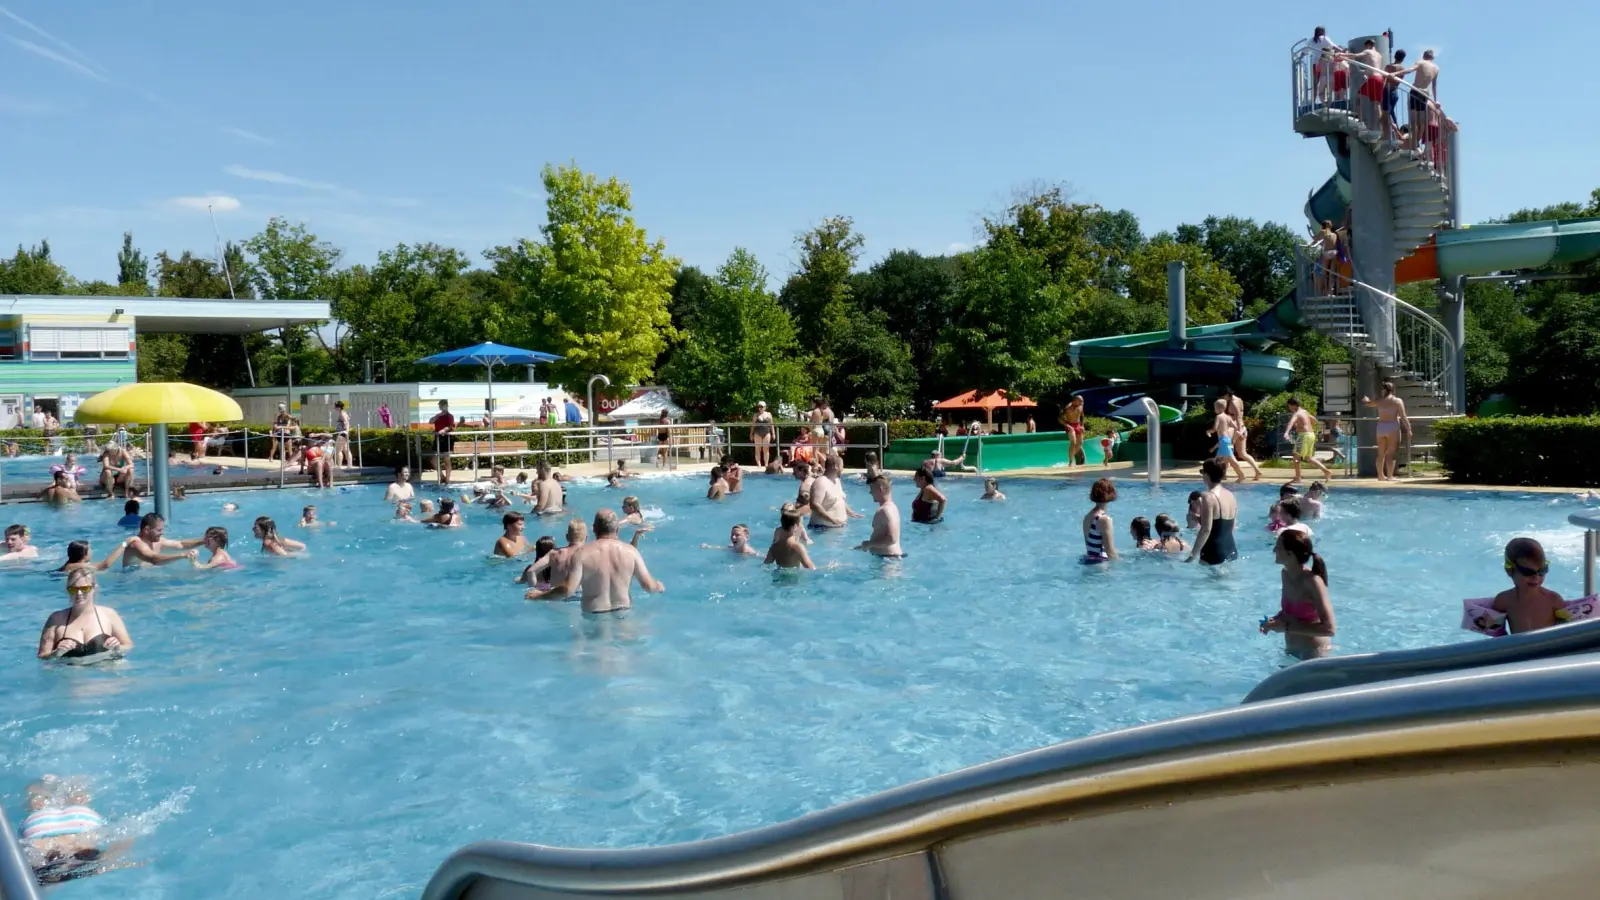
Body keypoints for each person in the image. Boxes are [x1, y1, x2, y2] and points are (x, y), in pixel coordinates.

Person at [540, 509, 665, 613]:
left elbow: (567, 590)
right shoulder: (631, 552)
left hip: (594, 615)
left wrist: (538, 596)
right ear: (617, 529)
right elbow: (649, 586)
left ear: (594, 529)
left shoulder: (582, 554)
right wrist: (658, 585)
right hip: (623, 613)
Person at [1261, 530, 1336, 659]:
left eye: (1278, 547)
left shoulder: (1312, 582)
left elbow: (1329, 629)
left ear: (1290, 554)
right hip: (1291, 650)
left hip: (1314, 653)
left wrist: (1287, 627)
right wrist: (1275, 620)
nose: (1274, 550)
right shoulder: (1285, 574)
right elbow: (1293, 611)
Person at [37, 568, 132, 660]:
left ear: (94, 588)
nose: (79, 593)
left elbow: (128, 645)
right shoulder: (56, 620)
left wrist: (117, 648)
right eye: (73, 589)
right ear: (67, 590)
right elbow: (42, 656)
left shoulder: (109, 615)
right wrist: (56, 653)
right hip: (71, 673)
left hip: (105, 672)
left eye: (85, 588)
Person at [1489, 537, 1567, 634]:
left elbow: (1567, 631)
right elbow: (1497, 634)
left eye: (1542, 571)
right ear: (1509, 570)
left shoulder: (1554, 600)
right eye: (1528, 572)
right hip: (1520, 648)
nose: (1536, 578)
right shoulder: (1503, 601)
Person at [1186, 457, 1239, 566]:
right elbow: (1232, 527)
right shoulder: (1230, 495)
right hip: (1231, 549)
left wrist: (1192, 555)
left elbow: (1206, 530)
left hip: (1213, 552)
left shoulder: (1207, 496)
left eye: (1202, 472)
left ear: (1206, 475)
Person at [523, 519, 588, 597]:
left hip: (554, 598)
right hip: (578, 598)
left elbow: (530, 571)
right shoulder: (590, 554)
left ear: (567, 537)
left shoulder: (554, 553)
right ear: (586, 538)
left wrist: (535, 591)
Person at [1362, 381, 1412, 481]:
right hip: (1392, 426)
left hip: (1381, 427)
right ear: (1393, 390)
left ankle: (1380, 476)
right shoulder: (1397, 401)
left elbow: (1368, 403)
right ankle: (1389, 476)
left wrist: (1366, 400)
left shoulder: (1379, 401)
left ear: (1384, 390)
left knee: (1380, 454)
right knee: (1390, 454)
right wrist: (1408, 429)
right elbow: (1403, 416)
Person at [1283, 397, 1333, 483]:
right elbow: (1315, 421)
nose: (1289, 408)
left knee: (1296, 455)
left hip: (1304, 436)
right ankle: (1326, 471)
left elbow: (1291, 422)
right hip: (1311, 435)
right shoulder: (1305, 412)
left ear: (1293, 405)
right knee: (1308, 458)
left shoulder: (1297, 413)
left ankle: (1298, 477)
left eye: (1289, 406)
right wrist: (1305, 426)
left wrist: (1286, 432)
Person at [855, 475, 904, 557]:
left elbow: (892, 539)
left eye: (872, 489)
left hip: (887, 559)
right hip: (889, 557)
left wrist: (869, 544)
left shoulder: (885, 510)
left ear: (880, 489)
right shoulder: (892, 507)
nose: (870, 492)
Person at [1220, 389, 1262, 481]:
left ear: (1227, 394)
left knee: (1227, 452)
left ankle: (1226, 474)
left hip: (1235, 429)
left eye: (1224, 397)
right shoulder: (1239, 399)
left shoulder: (1234, 403)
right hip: (1241, 427)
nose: (1223, 399)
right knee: (1242, 453)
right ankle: (1257, 471)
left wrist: (1238, 432)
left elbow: (1238, 418)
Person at [1403, 49, 1440, 152]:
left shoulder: (1420, 62)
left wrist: (1396, 73)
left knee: (1414, 121)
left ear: (1424, 56)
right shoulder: (1436, 68)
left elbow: (1409, 70)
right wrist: (1435, 100)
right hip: (1425, 94)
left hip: (1415, 91)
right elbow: (1434, 86)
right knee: (1422, 122)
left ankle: (1415, 145)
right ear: (1432, 58)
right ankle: (1417, 144)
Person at [1207, 399, 1248, 483]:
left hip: (1223, 441)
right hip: (1226, 440)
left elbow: (1214, 428)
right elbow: (1236, 427)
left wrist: (1208, 431)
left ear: (1218, 408)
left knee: (1232, 461)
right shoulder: (1228, 417)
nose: (1214, 409)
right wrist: (1239, 434)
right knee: (1217, 460)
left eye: (1215, 407)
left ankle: (1241, 475)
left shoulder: (1218, 417)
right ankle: (1215, 476)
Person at [764, 504, 817, 569]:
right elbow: (811, 568)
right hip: (793, 578)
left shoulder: (774, 547)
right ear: (795, 526)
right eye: (801, 524)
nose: (801, 527)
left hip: (777, 578)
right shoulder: (798, 547)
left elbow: (765, 565)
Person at [1081, 478, 1119, 562]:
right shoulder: (1104, 519)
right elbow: (1110, 552)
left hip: (1089, 560)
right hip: (1101, 564)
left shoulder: (1087, 517)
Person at [57, 539, 125, 573]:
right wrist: (125, 543)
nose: (92, 552)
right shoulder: (75, 566)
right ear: (84, 555)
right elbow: (105, 565)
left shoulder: (72, 565)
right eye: (90, 549)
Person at [431, 400, 456, 486]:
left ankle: (448, 479)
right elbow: (431, 421)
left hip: (446, 439)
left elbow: (450, 426)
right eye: (440, 405)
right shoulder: (438, 416)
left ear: (446, 405)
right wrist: (437, 416)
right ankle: (442, 476)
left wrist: (443, 430)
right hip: (438, 439)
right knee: (434, 460)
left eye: (442, 405)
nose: (441, 407)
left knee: (446, 459)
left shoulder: (450, 416)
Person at [1311, 220, 1340, 295]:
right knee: (1330, 273)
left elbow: (1315, 241)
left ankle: (1328, 291)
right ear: (1327, 224)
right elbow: (1316, 240)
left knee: (1327, 273)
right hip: (1333, 252)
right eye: (1330, 223)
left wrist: (1311, 244)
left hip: (1328, 252)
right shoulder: (1330, 233)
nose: (1331, 223)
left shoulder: (1326, 232)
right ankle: (1329, 291)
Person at [1059, 395, 1086, 465]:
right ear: (1075, 400)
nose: (1082, 402)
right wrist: (1067, 425)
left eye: (1082, 401)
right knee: (1073, 443)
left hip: (1078, 425)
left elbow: (1082, 416)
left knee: (1080, 443)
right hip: (1070, 425)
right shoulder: (1068, 407)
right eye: (1080, 401)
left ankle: (1072, 455)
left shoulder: (1081, 405)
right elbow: (1059, 418)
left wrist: (1082, 426)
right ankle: (1070, 461)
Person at [751, 401, 774, 469]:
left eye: (761, 407)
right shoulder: (756, 415)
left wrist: (773, 433)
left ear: (765, 407)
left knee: (766, 449)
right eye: (759, 407)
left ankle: (766, 464)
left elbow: (771, 424)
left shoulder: (769, 414)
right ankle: (759, 464)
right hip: (757, 433)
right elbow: (753, 425)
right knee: (757, 449)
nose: (760, 408)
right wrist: (751, 434)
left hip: (767, 432)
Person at [333, 400, 353, 468]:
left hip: (342, 434)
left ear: (338, 407)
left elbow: (346, 423)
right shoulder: (343, 413)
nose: (334, 408)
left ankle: (339, 466)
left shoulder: (342, 413)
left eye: (335, 406)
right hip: (344, 434)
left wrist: (346, 432)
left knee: (338, 450)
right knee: (346, 449)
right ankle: (349, 465)